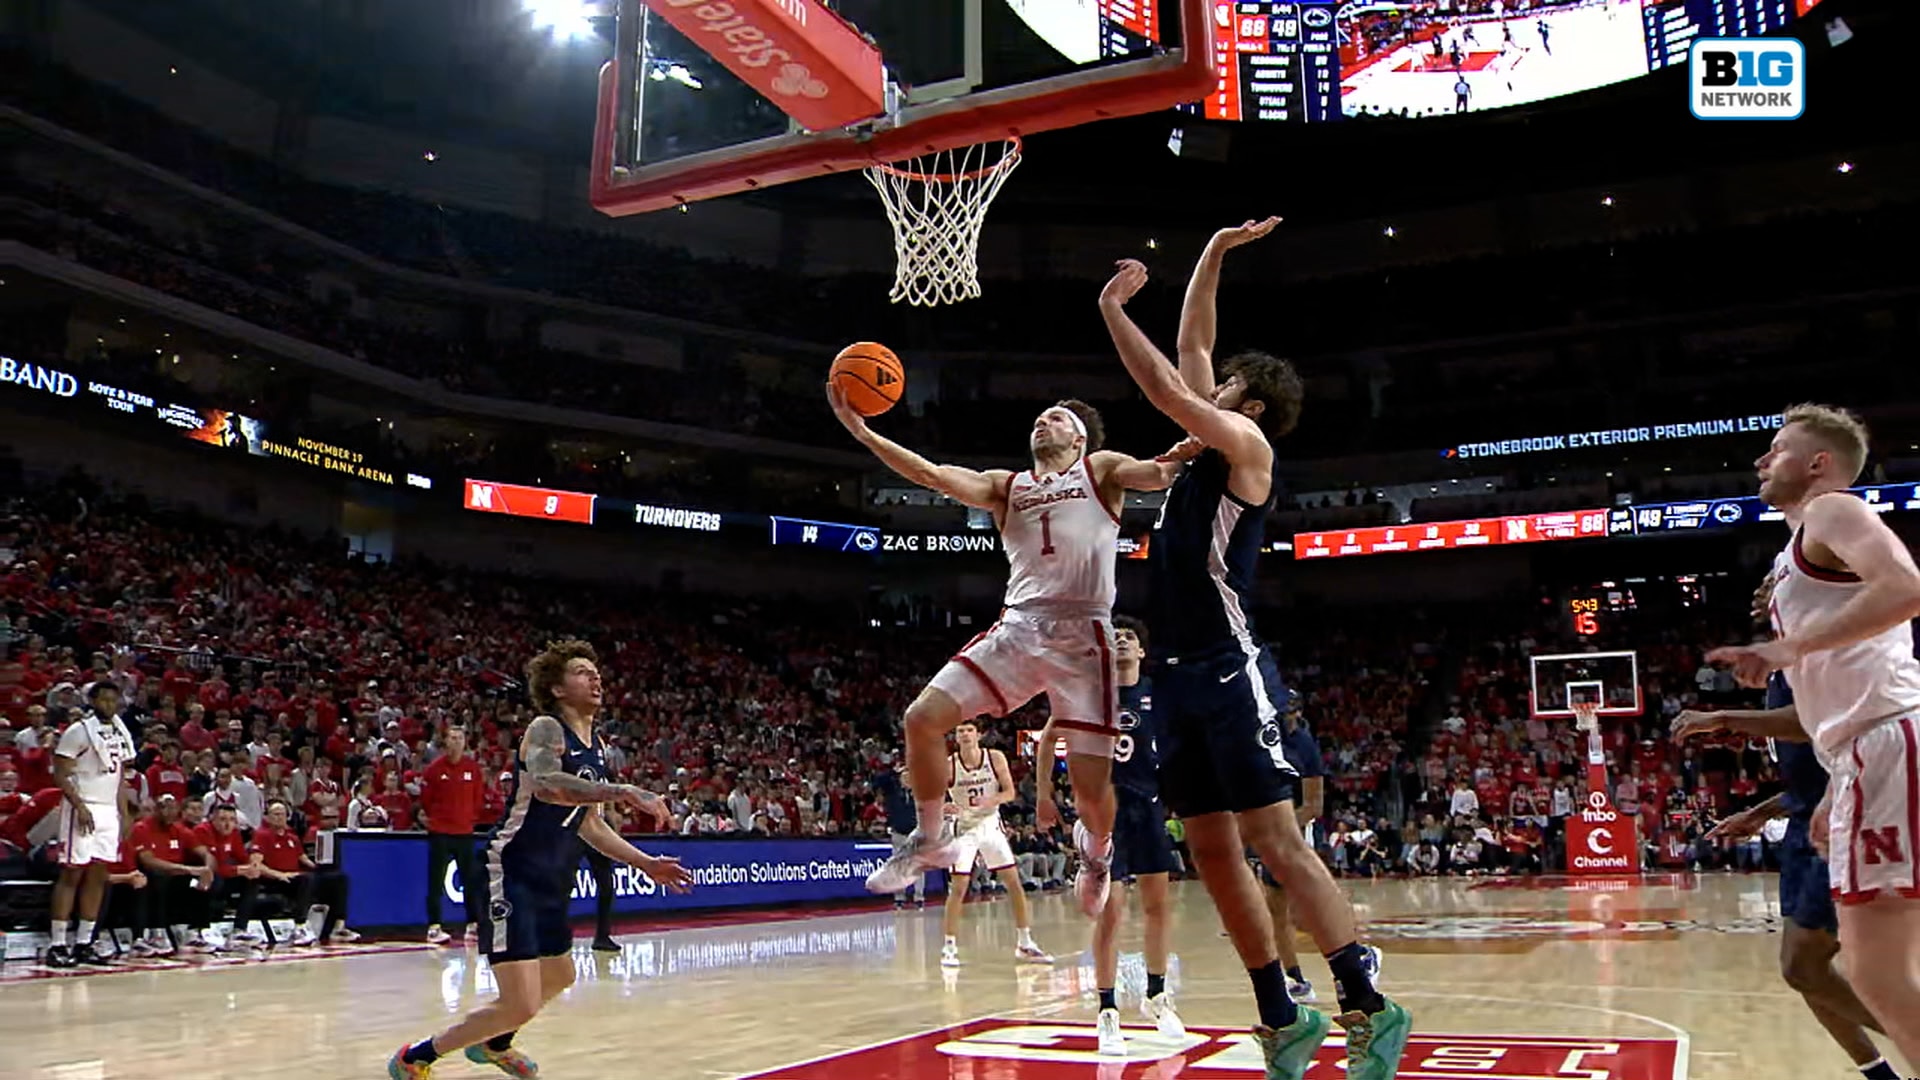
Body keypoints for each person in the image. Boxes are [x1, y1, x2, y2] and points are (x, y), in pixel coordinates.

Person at [1098, 222, 1408, 1080]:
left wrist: (1112, 313)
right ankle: (1281, 1016)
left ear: (1250, 406)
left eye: (1227, 383)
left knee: (1275, 839)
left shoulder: (1246, 449)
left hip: (1232, 670)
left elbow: (1169, 383)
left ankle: (1369, 1004)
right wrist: (1215, 251)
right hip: (1173, 675)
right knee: (1207, 848)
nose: (1213, 379)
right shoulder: (1200, 454)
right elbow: (1194, 340)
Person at [831, 382, 1189, 917]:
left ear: (1081, 439)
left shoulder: (1101, 470)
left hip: (1084, 636)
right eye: (1040, 418)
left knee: (1093, 795)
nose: (1044, 423)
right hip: (1019, 629)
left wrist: (1189, 447)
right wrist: (862, 431)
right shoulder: (1007, 486)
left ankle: (1096, 854)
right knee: (921, 719)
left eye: (1058, 419)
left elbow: (1158, 474)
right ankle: (929, 839)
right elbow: (932, 475)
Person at [1708, 403, 1920, 1066]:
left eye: (1776, 449)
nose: (1762, 460)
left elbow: (1906, 587)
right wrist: (1836, 783)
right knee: (1868, 968)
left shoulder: (1832, 509)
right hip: (1861, 754)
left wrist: (1785, 649)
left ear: (1818, 463)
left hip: (1886, 740)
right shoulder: (1800, 548)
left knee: (1871, 970)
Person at [389, 641, 693, 1080]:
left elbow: (589, 824)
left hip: (552, 878)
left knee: (561, 974)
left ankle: (493, 1043)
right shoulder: (547, 728)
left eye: (596, 671)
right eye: (582, 672)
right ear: (556, 688)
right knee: (520, 1001)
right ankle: (415, 1057)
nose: (595, 678)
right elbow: (549, 784)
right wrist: (625, 791)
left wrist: (645, 862)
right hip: (508, 871)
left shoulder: (597, 746)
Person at [1676, 675, 1899, 1080]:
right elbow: (1808, 779)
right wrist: (1758, 814)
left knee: (1806, 965)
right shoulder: (1779, 674)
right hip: (1807, 822)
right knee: (1806, 975)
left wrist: (1723, 717)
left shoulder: (1815, 653)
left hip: (1851, 816)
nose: (1759, 607)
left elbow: (1813, 720)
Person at [1035, 615, 1185, 1056]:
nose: (1121, 640)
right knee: (1112, 913)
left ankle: (1156, 995)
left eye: (1130, 637)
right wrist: (1044, 795)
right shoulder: (1087, 692)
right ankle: (1107, 1010)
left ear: (1141, 651)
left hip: (1150, 809)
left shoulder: (1160, 693)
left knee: (1159, 906)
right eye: (1115, 636)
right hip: (1106, 811)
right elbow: (1048, 740)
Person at [936, 721, 1053, 967]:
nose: (965, 734)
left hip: (989, 824)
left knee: (1013, 882)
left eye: (969, 730)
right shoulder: (949, 765)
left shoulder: (995, 757)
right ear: (955, 737)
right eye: (960, 730)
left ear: (979, 734)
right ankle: (949, 947)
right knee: (959, 887)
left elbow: (1010, 792)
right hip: (964, 827)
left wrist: (991, 800)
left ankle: (1025, 942)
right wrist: (943, 806)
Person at [46, 681, 137, 968]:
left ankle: (85, 942)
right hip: (82, 807)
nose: (110, 705)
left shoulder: (120, 731)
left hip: (109, 809)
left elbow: (119, 777)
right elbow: (60, 775)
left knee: (99, 875)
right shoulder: (78, 731)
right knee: (72, 874)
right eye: (104, 700)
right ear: (93, 701)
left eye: (114, 700)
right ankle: (58, 944)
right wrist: (80, 806)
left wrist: (124, 814)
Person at [421, 724, 487, 947]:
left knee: (470, 880)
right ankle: (434, 926)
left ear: (465, 742)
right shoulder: (434, 769)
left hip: (464, 832)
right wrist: (438, 819)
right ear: (445, 742)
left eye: (460, 738)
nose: (456, 742)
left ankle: (473, 924)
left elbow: (478, 798)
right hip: (440, 832)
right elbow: (426, 801)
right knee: (435, 881)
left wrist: (469, 819)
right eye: (452, 738)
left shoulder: (473, 769)